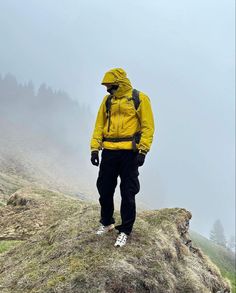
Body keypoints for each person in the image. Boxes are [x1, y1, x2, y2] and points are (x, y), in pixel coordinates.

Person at [90, 68, 155, 247]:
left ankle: (125, 229)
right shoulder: (108, 101)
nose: (107, 90)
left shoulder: (140, 98)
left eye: (110, 87)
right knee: (104, 188)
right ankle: (107, 222)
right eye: (107, 87)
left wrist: (143, 151)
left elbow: (148, 127)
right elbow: (99, 125)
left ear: (119, 84)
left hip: (130, 153)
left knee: (128, 192)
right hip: (109, 151)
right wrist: (95, 149)